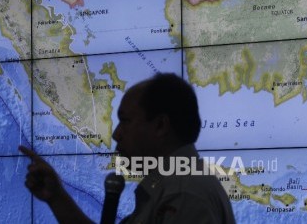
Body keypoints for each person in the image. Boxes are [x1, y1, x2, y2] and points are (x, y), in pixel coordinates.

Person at [19, 73, 236, 223]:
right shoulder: (174, 184)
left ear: (160, 125)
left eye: (125, 121)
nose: (117, 134)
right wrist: (56, 197)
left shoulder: (182, 194)